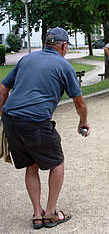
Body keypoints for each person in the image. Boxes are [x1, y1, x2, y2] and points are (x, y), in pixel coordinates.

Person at [0, 27, 90, 229]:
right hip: (36, 121)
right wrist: (83, 122)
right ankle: (50, 214)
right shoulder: (63, 65)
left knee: (31, 164)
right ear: (64, 46)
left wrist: (2, 119)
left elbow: (3, 89)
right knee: (57, 163)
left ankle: (37, 214)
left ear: (46, 43)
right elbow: (80, 103)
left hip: (11, 119)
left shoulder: (26, 59)